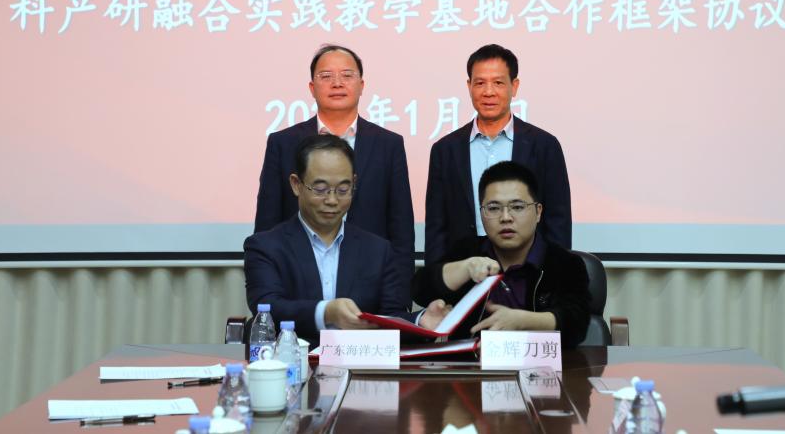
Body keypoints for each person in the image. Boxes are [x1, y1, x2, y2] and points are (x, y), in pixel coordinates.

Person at [245, 134, 446, 344]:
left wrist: (420, 320)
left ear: (354, 184)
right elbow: (268, 309)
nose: (332, 200)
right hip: (293, 360)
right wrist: (326, 312)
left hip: (359, 362)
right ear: (296, 184)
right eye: (320, 189)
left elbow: (389, 319)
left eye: (343, 189)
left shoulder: (378, 251)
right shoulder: (265, 247)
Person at [254, 44, 415, 301]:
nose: (337, 83)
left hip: (371, 288)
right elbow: (267, 223)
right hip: (298, 287)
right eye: (326, 76)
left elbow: (401, 228)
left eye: (347, 75)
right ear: (312, 87)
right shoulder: (283, 143)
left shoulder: (388, 144)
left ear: (362, 85)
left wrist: (400, 297)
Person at [413, 161, 591, 348]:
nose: (506, 217)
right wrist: (465, 268)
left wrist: (523, 321)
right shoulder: (466, 251)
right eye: (493, 208)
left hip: (539, 363)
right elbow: (420, 290)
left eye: (517, 207)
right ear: (482, 213)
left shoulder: (565, 263)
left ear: (538, 212)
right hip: (472, 364)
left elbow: (577, 323)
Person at [424, 44, 571, 265]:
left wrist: (553, 276)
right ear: (469, 86)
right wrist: (437, 279)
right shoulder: (445, 150)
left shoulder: (544, 146)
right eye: (480, 83)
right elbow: (437, 227)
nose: (488, 92)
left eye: (498, 83)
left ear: (514, 86)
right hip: (463, 269)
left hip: (527, 269)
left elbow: (558, 222)